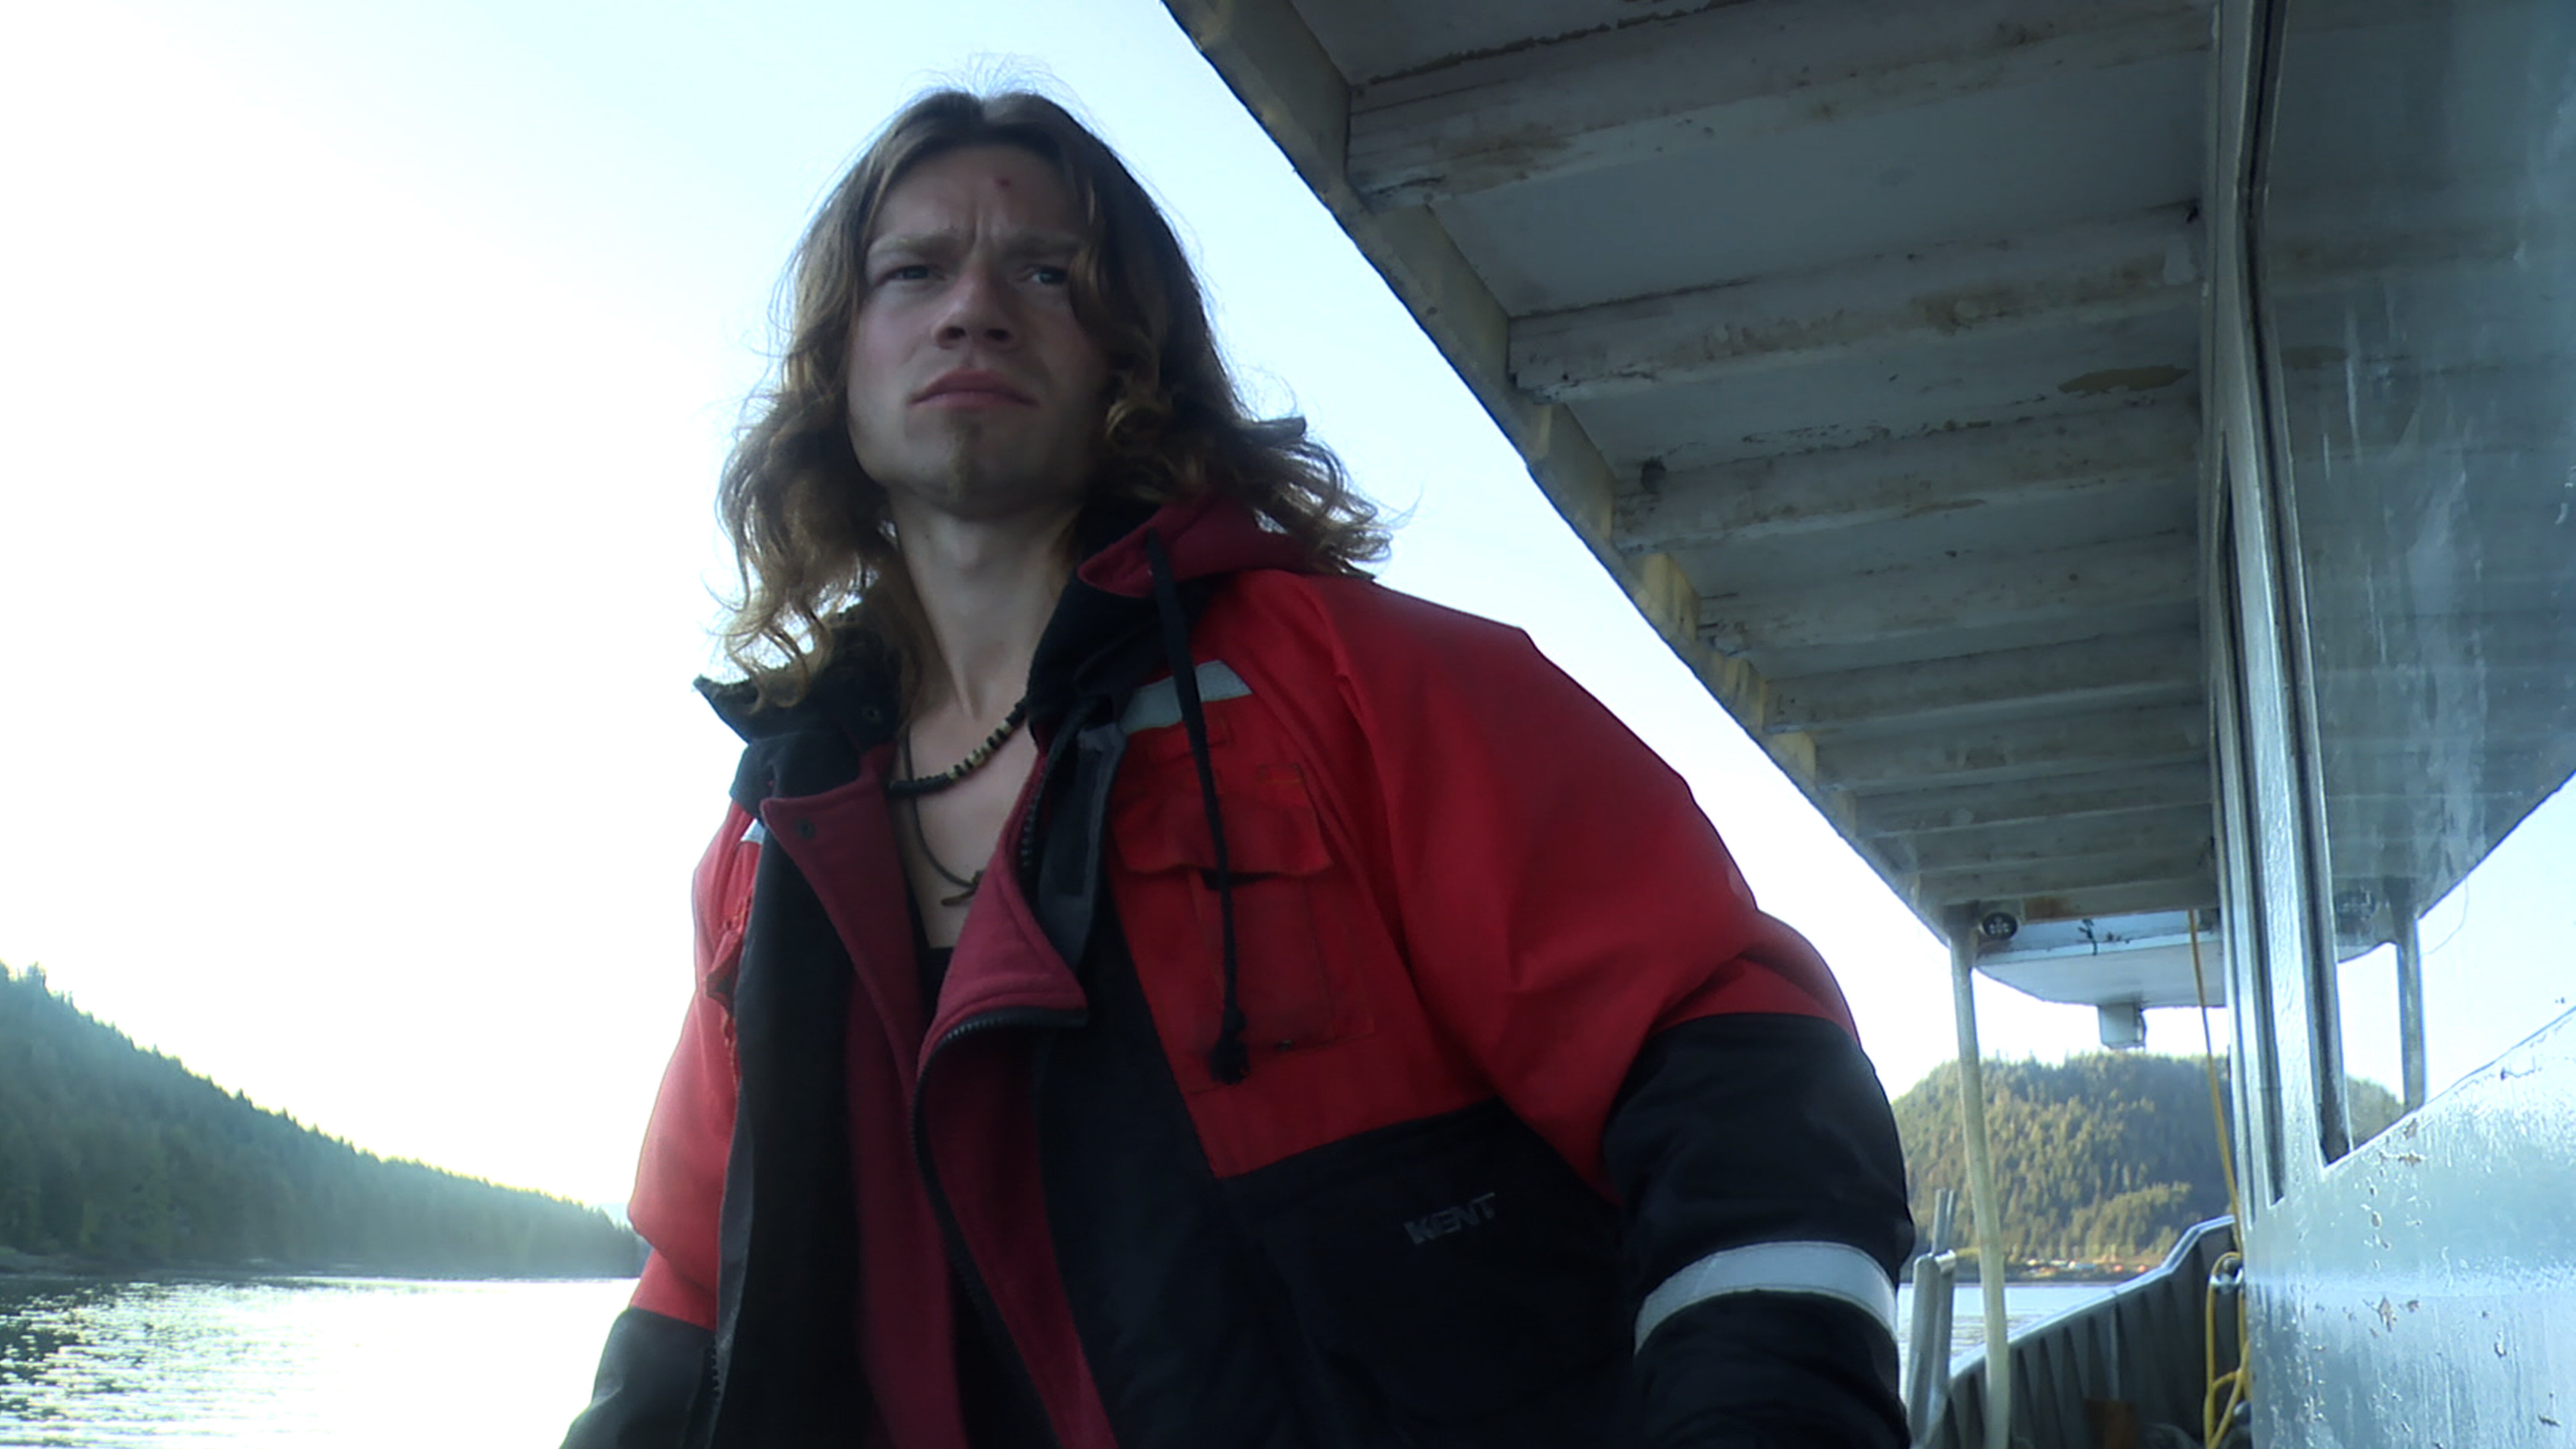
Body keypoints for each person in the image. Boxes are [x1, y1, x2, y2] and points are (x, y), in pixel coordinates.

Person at [561, 88, 1913, 1449]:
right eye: (913, 271)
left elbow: (1728, 1052)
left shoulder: (1363, 686)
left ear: (1133, 361)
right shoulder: (768, 847)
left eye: (1048, 273)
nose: (973, 310)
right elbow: (696, 1289)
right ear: (837, 365)